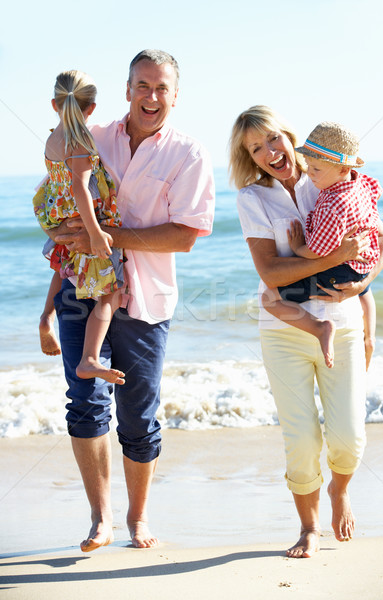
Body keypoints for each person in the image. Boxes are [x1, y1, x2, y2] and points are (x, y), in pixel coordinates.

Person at [40, 50, 215, 552]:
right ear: (126, 89)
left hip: (147, 301)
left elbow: (184, 236)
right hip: (84, 288)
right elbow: (52, 199)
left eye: (162, 88)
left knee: (139, 414)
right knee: (84, 400)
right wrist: (64, 230)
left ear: (175, 95)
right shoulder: (92, 139)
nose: (152, 97)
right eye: (143, 85)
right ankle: (101, 519)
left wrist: (106, 236)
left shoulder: (190, 154)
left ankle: (138, 517)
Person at [229, 105, 383, 558]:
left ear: (290, 136)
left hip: (342, 326)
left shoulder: (330, 177)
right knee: (300, 440)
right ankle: (308, 527)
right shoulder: (252, 199)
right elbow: (271, 273)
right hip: (283, 332)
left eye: (273, 139)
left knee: (349, 437)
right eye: (255, 148)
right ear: (250, 157)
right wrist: (329, 256)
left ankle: (340, 489)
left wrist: (362, 283)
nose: (269, 152)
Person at [261, 121, 381, 370]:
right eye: (308, 165)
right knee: (361, 287)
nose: (310, 173)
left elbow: (318, 251)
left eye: (316, 168)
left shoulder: (331, 205)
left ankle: (321, 327)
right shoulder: (360, 183)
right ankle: (370, 338)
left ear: (342, 169)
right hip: (362, 263)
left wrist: (297, 247)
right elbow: (375, 194)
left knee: (269, 298)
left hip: (341, 269)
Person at [33, 70, 126, 385]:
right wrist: (97, 233)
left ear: (54, 105)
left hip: (58, 213)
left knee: (64, 267)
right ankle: (89, 358)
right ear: (92, 108)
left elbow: (60, 183)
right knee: (111, 292)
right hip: (81, 219)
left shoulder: (54, 137)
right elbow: (79, 188)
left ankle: (46, 316)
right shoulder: (80, 140)